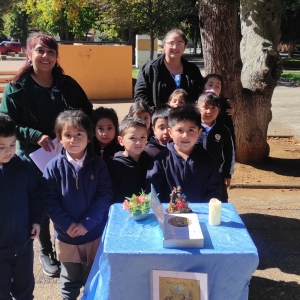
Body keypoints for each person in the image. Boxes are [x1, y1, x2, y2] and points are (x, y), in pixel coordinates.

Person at [0, 33, 93, 277]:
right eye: (40, 50)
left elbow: (86, 111)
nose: (46, 56)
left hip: (67, 154)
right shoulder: (16, 88)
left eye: (51, 52)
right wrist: (34, 135)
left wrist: (76, 133)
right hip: (35, 157)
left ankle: (71, 246)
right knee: (39, 203)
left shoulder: (67, 84)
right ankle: (46, 249)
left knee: (65, 199)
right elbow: (8, 124)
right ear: (29, 54)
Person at [42, 110, 112, 300]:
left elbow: (104, 196)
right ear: (59, 139)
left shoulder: (98, 165)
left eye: (79, 134)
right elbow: (49, 199)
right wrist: (67, 224)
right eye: (68, 135)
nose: (74, 139)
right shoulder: (53, 167)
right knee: (69, 279)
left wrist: (87, 223)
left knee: (94, 276)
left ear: (89, 138)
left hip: (93, 234)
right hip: (67, 237)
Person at [0, 113, 42, 300]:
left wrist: (36, 221)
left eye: (12, 144)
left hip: (23, 246)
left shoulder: (23, 166)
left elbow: (35, 195)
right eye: (1, 147)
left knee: (25, 289)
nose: (8, 151)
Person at [146, 105, 222, 203]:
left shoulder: (208, 161)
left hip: (199, 215)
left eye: (191, 130)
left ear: (199, 132)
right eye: (180, 130)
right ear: (170, 132)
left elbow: (214, 192)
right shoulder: (160, 161)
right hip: (169, 214)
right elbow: (153, 193)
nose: (185, 136)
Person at [134, 29, 203, 108]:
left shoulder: (193, 70)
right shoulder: (150, 69)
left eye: (180, 44)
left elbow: (200, 95)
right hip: (157, 119)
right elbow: (140, 96)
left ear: (185, 46)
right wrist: (157, 115)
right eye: (171, 43)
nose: (175, 47)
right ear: (163, 45)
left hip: (186, 119)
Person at [197, 92, 235, 202]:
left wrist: (227, 174)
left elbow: (229, 153)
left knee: (219, 201)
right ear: (197, 108)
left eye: (213, 108)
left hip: (217, 173)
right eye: (205, 107)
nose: (209, 112)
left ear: (219, 110)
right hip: (196, 173)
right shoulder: (192, 129)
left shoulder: (223, 130)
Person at [107, 117, 153, 204]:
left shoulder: (150, 161)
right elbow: (110, 194)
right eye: (132, 138)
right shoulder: (115, 165)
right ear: (121, 140)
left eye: (142, 137)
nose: (139, 142)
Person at [202, 74, 235, 148]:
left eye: (217, 86)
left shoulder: (225, 105)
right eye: (210, 85)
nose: (213, 88)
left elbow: (229, 128)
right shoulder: (197, 104)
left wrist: (232, 147)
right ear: (203, 88)